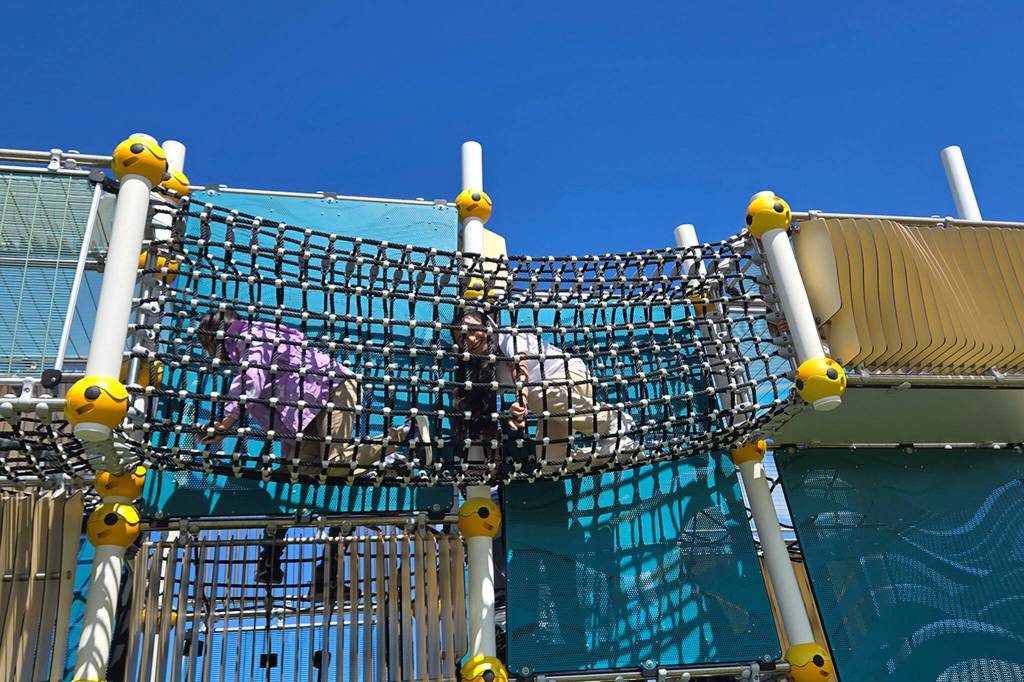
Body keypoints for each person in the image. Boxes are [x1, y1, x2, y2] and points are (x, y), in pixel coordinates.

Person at [196, 310, 408, 590]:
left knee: (336, 464)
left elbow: (252, 375)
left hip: (330, 388)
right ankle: (271, 559)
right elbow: (269, 391)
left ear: (216, 335)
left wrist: (227, 421)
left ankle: (405, 434)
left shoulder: (246, 335)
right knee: (296, 476)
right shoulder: (249, 339)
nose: (213, 355)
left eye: (208, 347)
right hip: (303, 410)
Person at [452, 308, 635, 464]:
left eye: (473, 329)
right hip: (549, 401)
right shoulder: (487, 372)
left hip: (571, 376)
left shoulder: (507, 336)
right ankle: (621, 449)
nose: (470, 339)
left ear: (488, 325)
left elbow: (520, 365)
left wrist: (521, 399)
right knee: (550, 462)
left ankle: (613, 422)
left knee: (535, 394)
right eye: (462, 339)